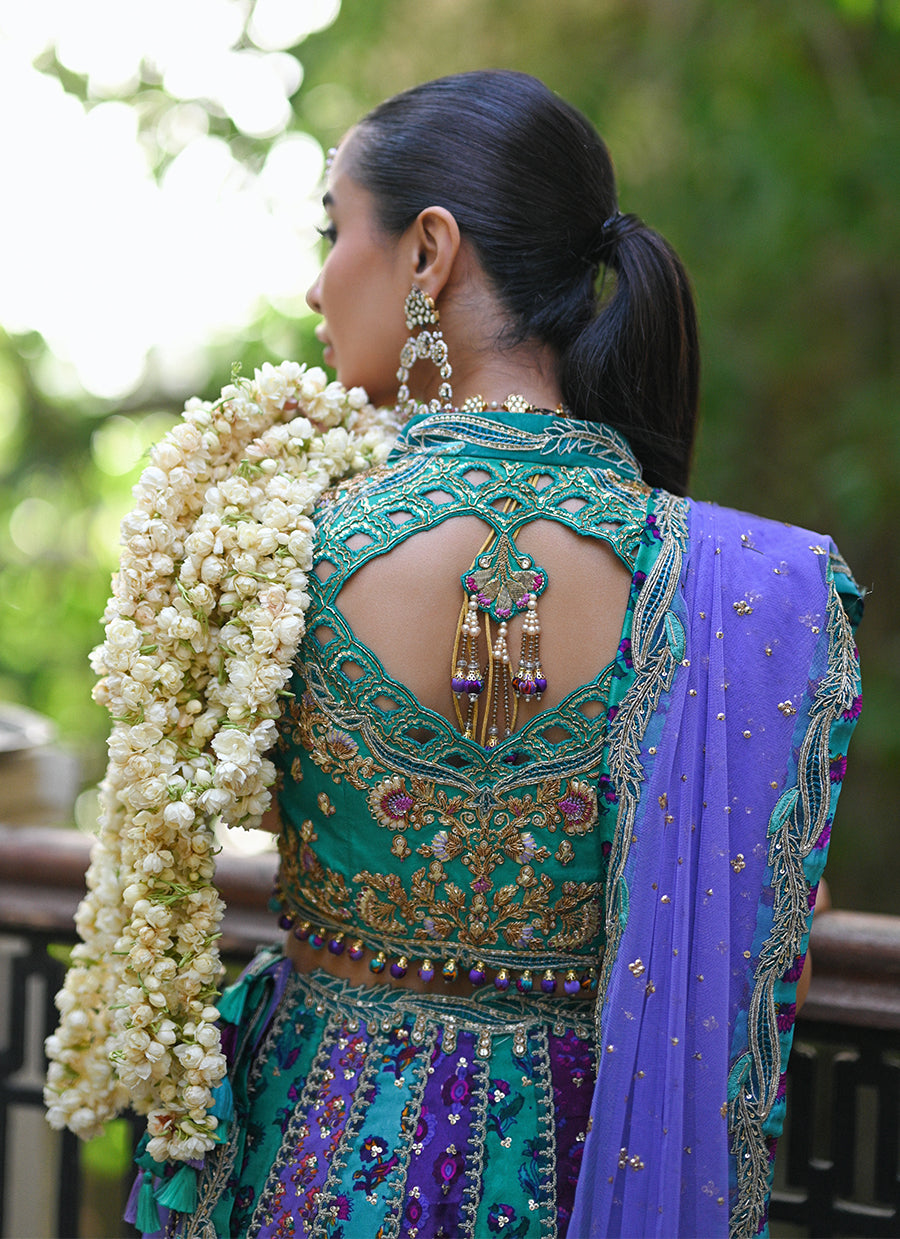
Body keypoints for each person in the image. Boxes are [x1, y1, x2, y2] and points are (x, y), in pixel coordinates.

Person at [76, 70, 864, 1238]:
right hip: (588, 1169)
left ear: (428, 251)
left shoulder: (263, 534)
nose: (316, 280)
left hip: (314, 1143)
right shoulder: (739, 591)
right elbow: (765, 913)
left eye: (335, 227)